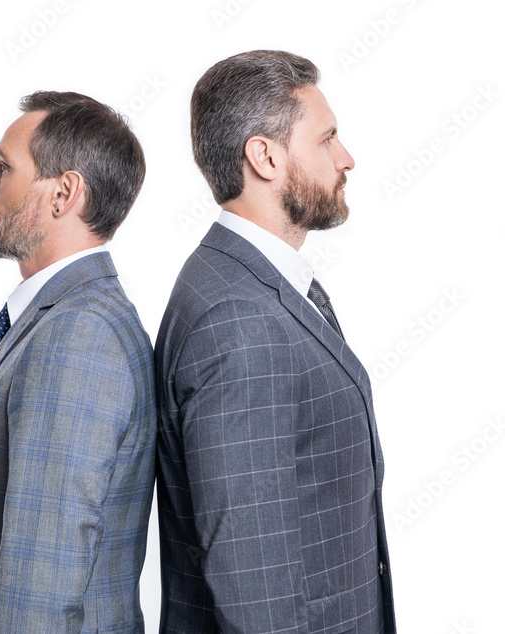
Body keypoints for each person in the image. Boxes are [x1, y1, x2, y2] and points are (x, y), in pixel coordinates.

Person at [155, 51, 397, 633]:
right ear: (265, 157)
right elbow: (253, 580)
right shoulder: (238, 320)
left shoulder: (255, 283)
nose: (346, 157)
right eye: (327, 139)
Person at [0, 91, 156, 634]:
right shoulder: (67, 318)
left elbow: (41, 586)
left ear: (64, 193)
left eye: (4, 168)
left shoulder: (78, 335)